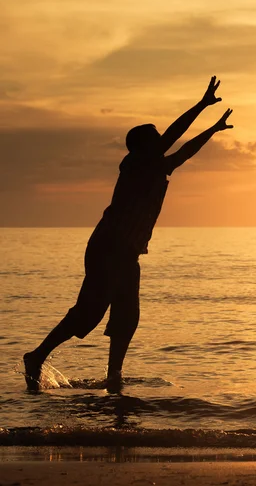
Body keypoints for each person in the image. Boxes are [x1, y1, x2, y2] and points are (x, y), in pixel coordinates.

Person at [23, 76, 233, 393]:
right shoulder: (133, 163)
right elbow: (174, 138)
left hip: (127, 252)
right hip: (109, 247)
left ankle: (113, 376)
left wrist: (213, 130)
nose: (161, 140)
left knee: (127, 316)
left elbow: (185, 151)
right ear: (140, 147)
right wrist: (201, 105)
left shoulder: (158, 168)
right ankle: (36, 357)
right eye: (156, 138)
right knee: (88, 313)